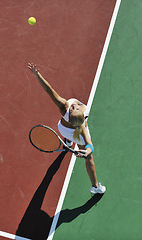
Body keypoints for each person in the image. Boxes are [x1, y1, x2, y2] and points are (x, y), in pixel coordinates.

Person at [28, 63, 106, 194]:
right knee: (89, 159)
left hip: (63, 130)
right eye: (73, 108)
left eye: (73, 108)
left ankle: (68, 141)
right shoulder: (81, 122)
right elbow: (89, 143)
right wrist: (86, 152)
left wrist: (37, 75)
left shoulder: (64, 107)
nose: (74, 106)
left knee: (76, 145)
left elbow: (49, 90)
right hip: (75, 135)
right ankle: (95, 187)